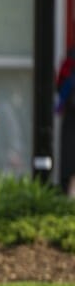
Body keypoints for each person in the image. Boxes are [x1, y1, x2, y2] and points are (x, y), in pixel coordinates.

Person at [57, 45, 75, 196]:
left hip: (70, 118)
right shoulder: (70, 62)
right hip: (71, 119)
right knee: (69, 165)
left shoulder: (69, 62)